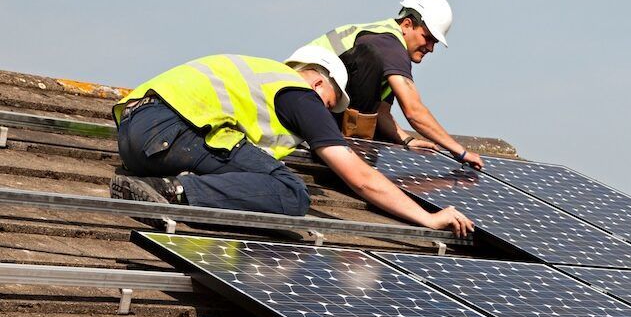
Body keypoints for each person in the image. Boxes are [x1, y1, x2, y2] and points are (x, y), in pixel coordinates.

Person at [110, 47, 473, 236]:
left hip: (135, 133)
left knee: (259, 167)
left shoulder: (263, 77)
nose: (326, 113)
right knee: (291, 192)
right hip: (170, 134)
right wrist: (426, 217)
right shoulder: (300, 93)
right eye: (331, 103)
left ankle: (165, 184)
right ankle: (173, 192)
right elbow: (359, 176)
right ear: (318, 83)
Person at [305, 0, 486, 169]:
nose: (430, 48)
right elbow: (414, 111)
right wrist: (459, 151)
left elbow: (381, 113)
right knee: (368, 58)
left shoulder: (385, 49)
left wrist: (407, 139)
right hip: (307, 108)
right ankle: (351, 152)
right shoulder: (389, 45)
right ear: (407, 24)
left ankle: (352, 148)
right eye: (427, 38)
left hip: (311, 111)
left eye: (435, 42)